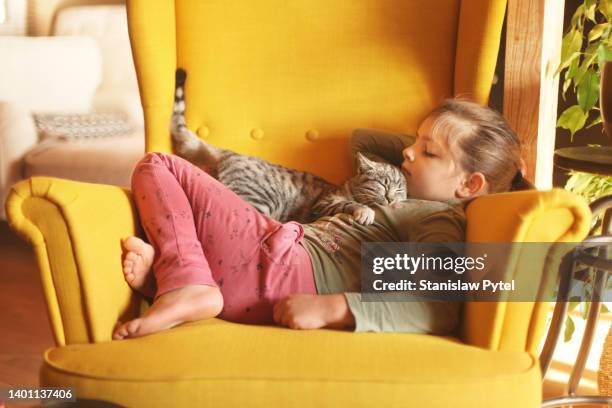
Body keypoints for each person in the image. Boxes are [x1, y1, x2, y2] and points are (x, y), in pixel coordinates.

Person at [112, 98, 531, 340]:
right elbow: (363, 140)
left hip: (283, 264)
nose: (406, 153)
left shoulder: (441, 221)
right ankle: (175, 275)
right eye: (413, 143)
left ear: (469, 185)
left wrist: (335, 308)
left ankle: (185, 280)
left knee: (159, 166)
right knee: (184, 199)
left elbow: (438, 307)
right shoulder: (419, 202)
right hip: (272, 263)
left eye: (428, 153)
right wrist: (432, 142)